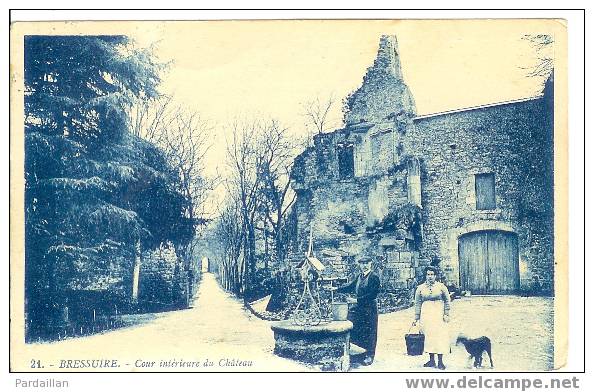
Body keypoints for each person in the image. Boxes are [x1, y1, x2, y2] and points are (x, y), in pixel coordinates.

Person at [335, 256, 381, 365]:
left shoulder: (374, 277)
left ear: (370, 264)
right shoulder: (360, 276)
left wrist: (356, 300)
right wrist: (336, 289)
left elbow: (372, 294)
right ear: (359, 265)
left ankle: (370, 356)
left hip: (370, 308)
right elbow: (350, 286)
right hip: (359, 308)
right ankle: (360, 353)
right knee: (356, 327)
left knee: (370, 331)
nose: (364, 265)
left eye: (366, 263)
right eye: (362, 263)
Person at [413, 266, 451, 370]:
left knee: (439, 336)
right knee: (429, 336)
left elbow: (447, 300)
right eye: (428, 274)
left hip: (438, 313)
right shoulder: (420, 288)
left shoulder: (441, 287)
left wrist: (446, 314)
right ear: (425, 276)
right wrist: (417, 317)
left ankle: (440, 361)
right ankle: (431, 360)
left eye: (432, 274)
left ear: (435, 276)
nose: (430, 277)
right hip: (426, 314)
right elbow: (417, 303)